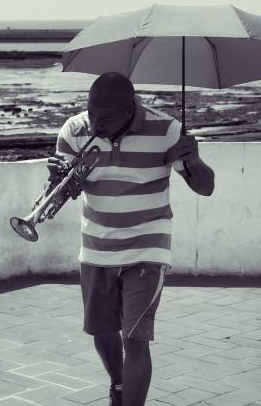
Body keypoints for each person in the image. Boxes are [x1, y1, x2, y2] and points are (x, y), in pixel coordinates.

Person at [47, 72, 215, 406]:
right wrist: (57, 180)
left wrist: (193, 158)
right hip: (96, 248)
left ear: (130, 109)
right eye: (92, 113)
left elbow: (205, 187)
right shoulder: (74, 130)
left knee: (135, 339)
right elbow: (61, 194)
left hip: (146, 247)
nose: (96, 123)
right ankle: (119, 384)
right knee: (102, 333)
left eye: (105, 117)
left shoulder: (167, 130)